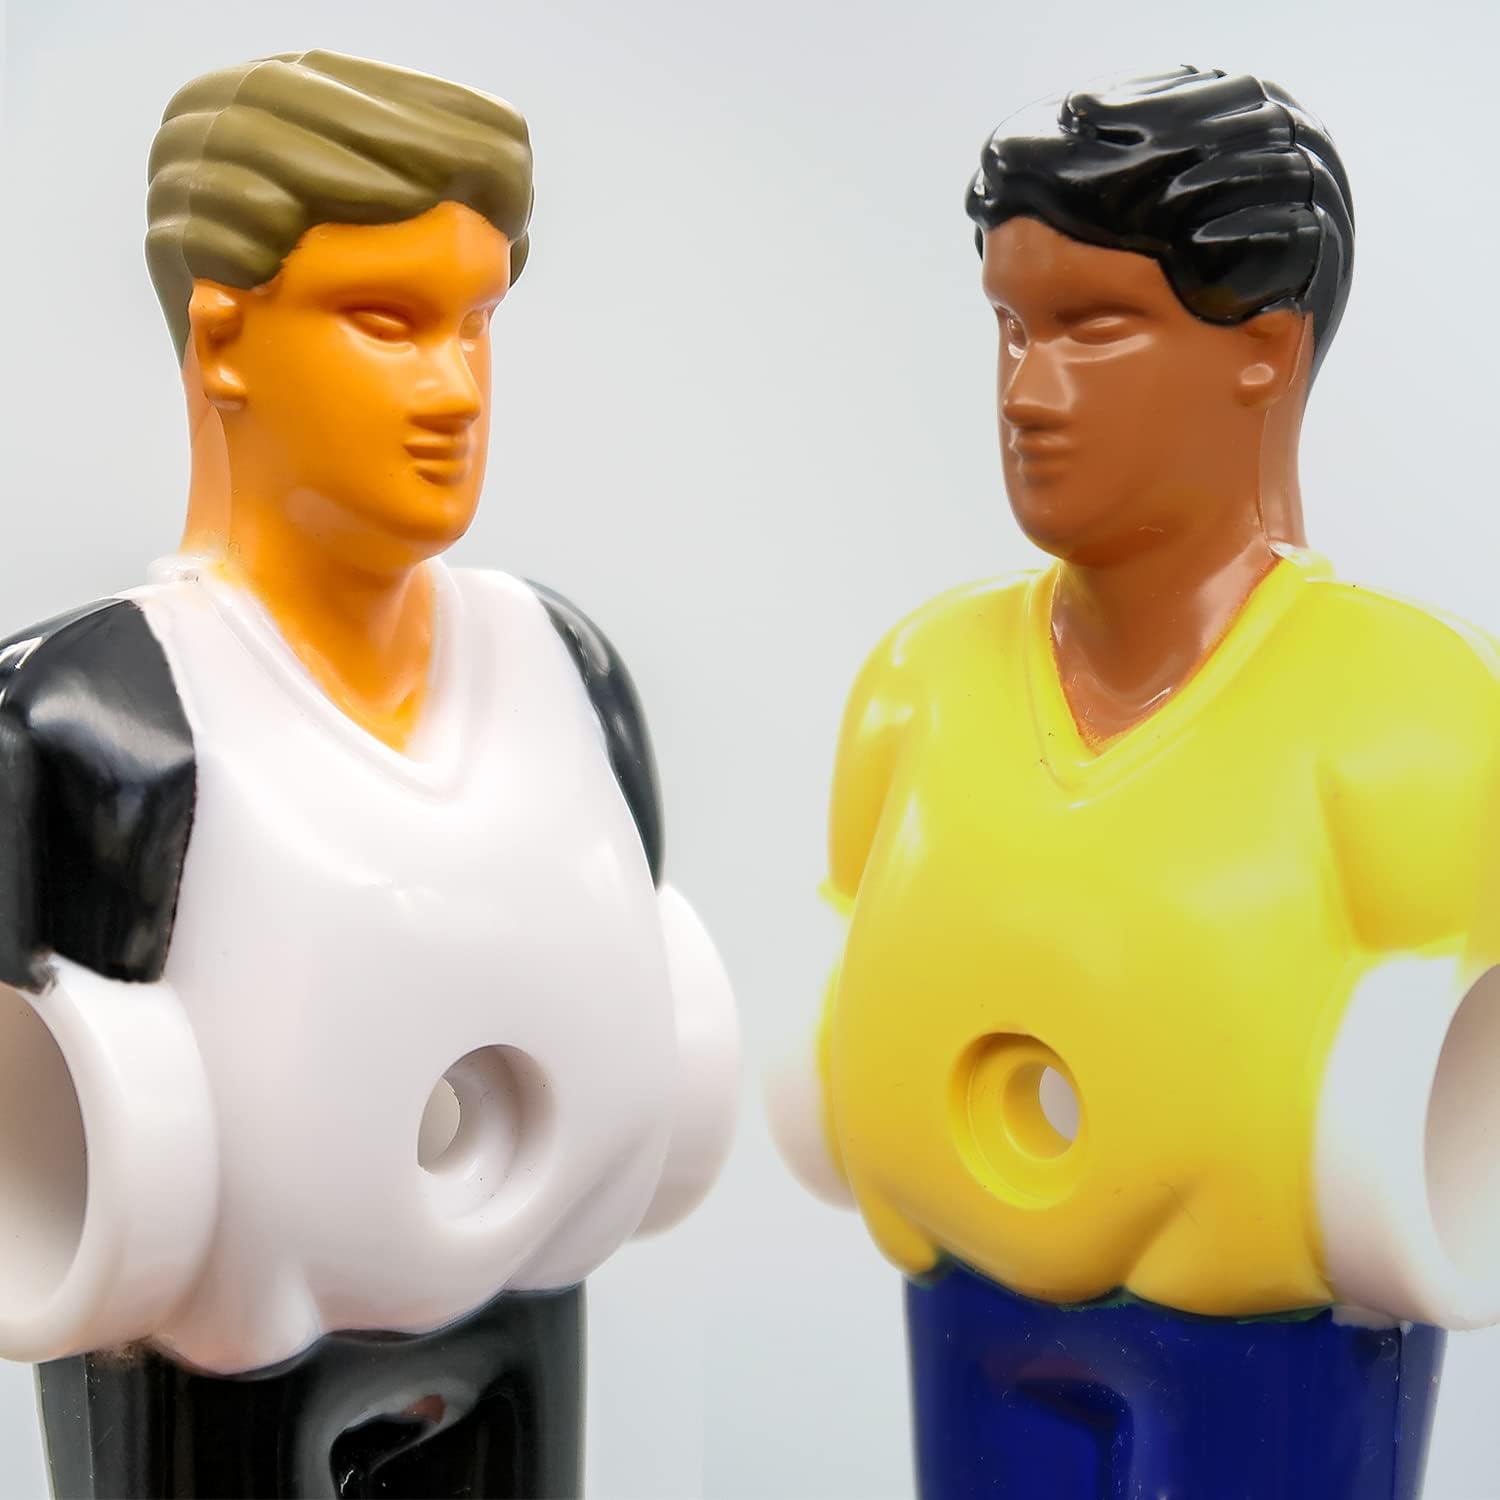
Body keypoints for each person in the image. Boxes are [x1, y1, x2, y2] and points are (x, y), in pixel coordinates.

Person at [0, 50, 738, 1499]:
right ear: (223, 338)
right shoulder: (99, 725)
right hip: (220, 1392)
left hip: (527, 1333)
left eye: (478, 325)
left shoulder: (565, 678)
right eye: (386, 323)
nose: (454, 389)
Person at [771, 66, 1500, 1498]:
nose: (1027, 393)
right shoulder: (919, 686)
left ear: (1265, 348)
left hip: (1276, 1378)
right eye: (1010, 327)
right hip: (965, 1324)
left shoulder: (1414, 724)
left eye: (1095, 329)